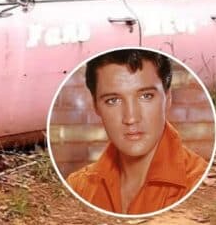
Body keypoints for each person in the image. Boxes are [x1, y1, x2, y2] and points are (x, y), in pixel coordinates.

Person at [66, 49, 208, 215]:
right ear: (96, 106)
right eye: (113, 100)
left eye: (146, 96)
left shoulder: (198, 184)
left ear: (168, 99)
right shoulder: (78, 186)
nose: (131, 118)